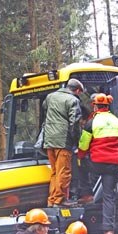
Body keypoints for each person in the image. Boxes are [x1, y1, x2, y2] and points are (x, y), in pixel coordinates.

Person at [77, 93, 118, 234]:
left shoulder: (92, 122)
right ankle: (108, 231)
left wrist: (80, 157)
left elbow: (83, 145)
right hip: (113, 164)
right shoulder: (117, 122)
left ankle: (87, 194)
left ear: (95, 106)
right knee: (109, 196)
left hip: (97, 163)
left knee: (82, 164)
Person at [42, 78, 84, 207]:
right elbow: (75, 122)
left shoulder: (50, 97)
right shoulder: (73, 100)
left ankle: (52, 200)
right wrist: (77, 141)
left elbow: (45, 109)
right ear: (77, 90)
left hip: (49, 139)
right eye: (80, 93)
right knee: (64, 171)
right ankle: (60, 200)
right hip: (63, 140)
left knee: (55, 171)